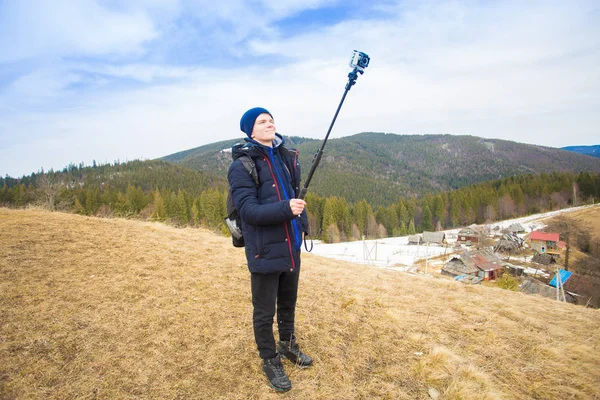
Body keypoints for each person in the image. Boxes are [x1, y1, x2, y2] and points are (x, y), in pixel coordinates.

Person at [228, 107, 313, 392]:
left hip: (291, 245)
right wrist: (286, 209)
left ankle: (288, 345)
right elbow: (249, 211)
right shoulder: (242, 166)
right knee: (264, 311)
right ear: (250, 131)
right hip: (264, 249)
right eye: (262, 121)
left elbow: (293, 195)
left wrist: (300, 224)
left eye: (271, 120)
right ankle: (270, 359)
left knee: (288, 302)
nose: (269, 124)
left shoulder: (285, 157)